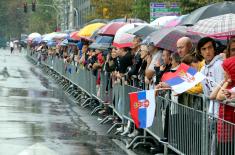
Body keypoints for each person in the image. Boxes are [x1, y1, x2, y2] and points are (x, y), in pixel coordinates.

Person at [197, 37, 224, 115]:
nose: (207, 51)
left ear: (214, 49)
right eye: (204, 49)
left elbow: (221, 89)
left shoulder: (219, 65)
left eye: (210, 47)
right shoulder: (202, 69)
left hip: (220, 110)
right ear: (200, 52)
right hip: (209, 110)